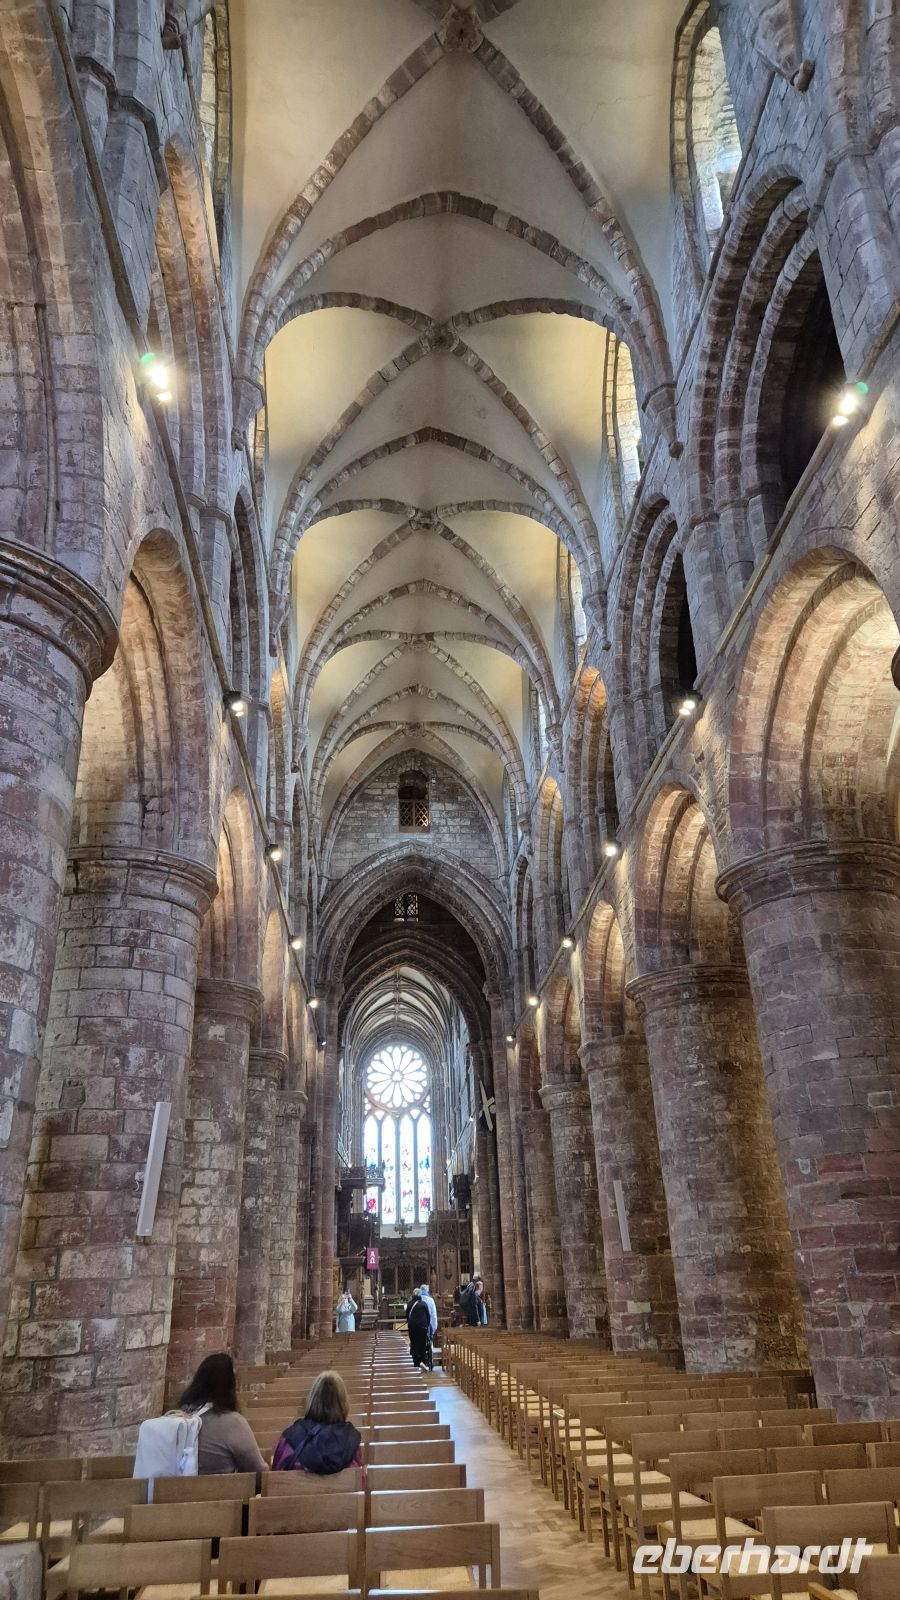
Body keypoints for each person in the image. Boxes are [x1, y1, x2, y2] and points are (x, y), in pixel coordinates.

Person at [178, 1352, 266, 1475]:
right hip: (222, 1492)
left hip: (175, 1492)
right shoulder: (233, 1423)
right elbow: (259, 1472)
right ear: (230, 1385)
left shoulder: (178, 1417)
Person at [272, 1370, 362, 1474]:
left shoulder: (289, 1438)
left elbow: (275, 1478)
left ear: (312, 1399)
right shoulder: (351, 1440)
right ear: (343, 1403)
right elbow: (359, 1483)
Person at [406, 1285, 432, 1369]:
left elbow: (407, 1317)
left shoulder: (409, 1304)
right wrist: (426, 1326)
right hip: (422, 1328)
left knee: (414, 1345)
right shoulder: (423, 1304)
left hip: (412, 1329)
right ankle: (423, 1362)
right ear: (420, 1295)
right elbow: (428, 1317)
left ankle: (416, 1363)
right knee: (422, 1345)